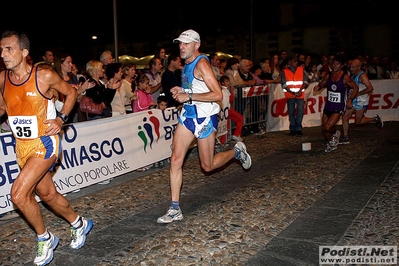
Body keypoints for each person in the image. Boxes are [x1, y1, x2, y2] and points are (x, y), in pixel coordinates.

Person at [0, 30, 93, 266]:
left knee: (18, 194)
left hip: (45, 142)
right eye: (1, 49)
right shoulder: (2, 79)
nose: (3, 54)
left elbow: (71, 92)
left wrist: (61, 119)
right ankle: (79, 223)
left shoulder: (43, 75)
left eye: (8, 49)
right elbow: (3, 107)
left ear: (24, 52)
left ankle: (45, 237)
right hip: (22, 146)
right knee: (48, 195)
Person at [157, 29, 251, 224]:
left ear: (196, 45)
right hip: (188, 115)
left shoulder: (201, 64)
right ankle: (174, 208)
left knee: (207, 166)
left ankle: (236, 152)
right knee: (175, 158)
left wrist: (188, 96)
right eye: (180, 43)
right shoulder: (187, 64)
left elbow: (218, 94)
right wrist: (182, 90)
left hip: (205, 118)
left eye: (186, 43)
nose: (181, 47)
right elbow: (195, 87)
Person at [313, 54, 359, 153]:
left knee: (327, 127)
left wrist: (350, 99)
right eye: (333, 63)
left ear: (341, 65)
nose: (334, 66)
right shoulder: (328, 75)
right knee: (324, 130)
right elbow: (322, 83)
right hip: (329, 105)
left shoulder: (345, 77)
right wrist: (318, 87)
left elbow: (355, 87)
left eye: (337, 64)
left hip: (338, 106)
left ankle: (335, 135)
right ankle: (333, 141)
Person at [340, 59, 383, 144]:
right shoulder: (352, 75)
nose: (351, 68)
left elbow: (370, 88)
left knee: (358, 122)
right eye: (350, 66)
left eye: (353, 67)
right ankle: (345, 137)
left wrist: (358, 93)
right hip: (353, 100)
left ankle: (375, 119)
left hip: (361, 101)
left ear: (359, 67)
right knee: (345, 117)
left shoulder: (362, 75)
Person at [281, 54, 308, 136]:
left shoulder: (301, 70)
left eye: (296, 61)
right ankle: (293, 129)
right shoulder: (284, 71)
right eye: (294, 61)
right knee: (291, 112)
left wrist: (299, 91)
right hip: (291, 95)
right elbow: (284, 84)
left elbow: (306, 82)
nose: (296, 63)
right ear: (289, 62)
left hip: (299, 94)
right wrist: (294, 92)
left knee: (300, 111)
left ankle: (298, 128)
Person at [219, 75, 244, 142]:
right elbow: (231, 99)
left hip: (223, 110)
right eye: (227, 81)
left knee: (225, 125)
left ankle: (223, 141)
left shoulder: (221, 90)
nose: (228, 83)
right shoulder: (225, 90)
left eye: (228, 81)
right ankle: (236, 134)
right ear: (222, 83)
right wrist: (232, 92)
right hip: (227, 109)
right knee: (240, 118)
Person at [153, 95, 169, 168]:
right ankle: (157, 160)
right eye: (162, 105)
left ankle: (164, 157)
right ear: (158, 104)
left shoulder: (167, 112)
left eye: (165, 105)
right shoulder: (154, 112)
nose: (164, 107)